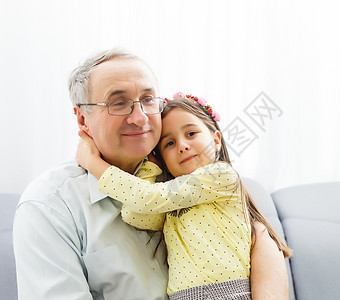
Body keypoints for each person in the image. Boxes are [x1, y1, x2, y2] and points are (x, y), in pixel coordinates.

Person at [12, 48, 290, 300]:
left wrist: (262, 242)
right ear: (83, 119)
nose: (140, 117)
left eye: (148, 99)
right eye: (118, 103)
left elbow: (257, 243)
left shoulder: (190, 185)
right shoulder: (48, 207)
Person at [76, 93, 292, 299]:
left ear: (216, 140)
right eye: (169, 144)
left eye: (191, 134)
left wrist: (93, 163)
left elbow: (146, 199)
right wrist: (151, 166)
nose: (182, 146)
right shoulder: (173, 200)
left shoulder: (221, 175)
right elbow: (135, 214)